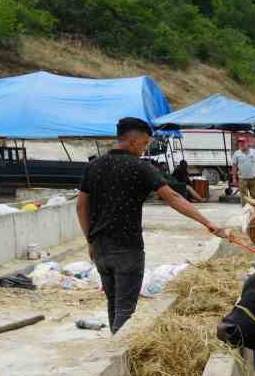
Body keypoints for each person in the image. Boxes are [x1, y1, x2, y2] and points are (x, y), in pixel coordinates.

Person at [77, 117, 226, 334]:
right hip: (128, 248)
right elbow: (173, 197)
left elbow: (81, 207)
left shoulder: (93, 166)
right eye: (144, 144)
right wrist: (207, 222)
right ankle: (116, 357)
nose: (144, 149)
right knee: (125, 309)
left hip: (100, 248)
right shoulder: (140, 167)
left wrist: (89, 240)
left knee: (113, 303)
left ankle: (112, 347)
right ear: (133, 141)